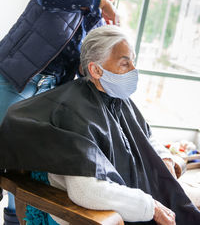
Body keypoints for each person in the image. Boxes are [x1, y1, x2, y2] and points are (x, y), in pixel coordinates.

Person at [0, 26, 200, 225]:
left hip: (129, 199)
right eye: (125, 63)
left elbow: (144, 135)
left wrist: (163, 157)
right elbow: (86, 191)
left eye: (133, 62)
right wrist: (151, 207)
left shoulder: (118, 98)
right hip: (92, 214)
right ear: (96, 69)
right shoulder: (73, 111)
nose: (134, 70)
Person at [0, 0, 130, 224]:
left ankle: (13, 217)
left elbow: (83, 63)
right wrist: (100, 1)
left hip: (47, 93)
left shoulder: (93, 19)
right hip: (15, 78)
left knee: (23, 158)